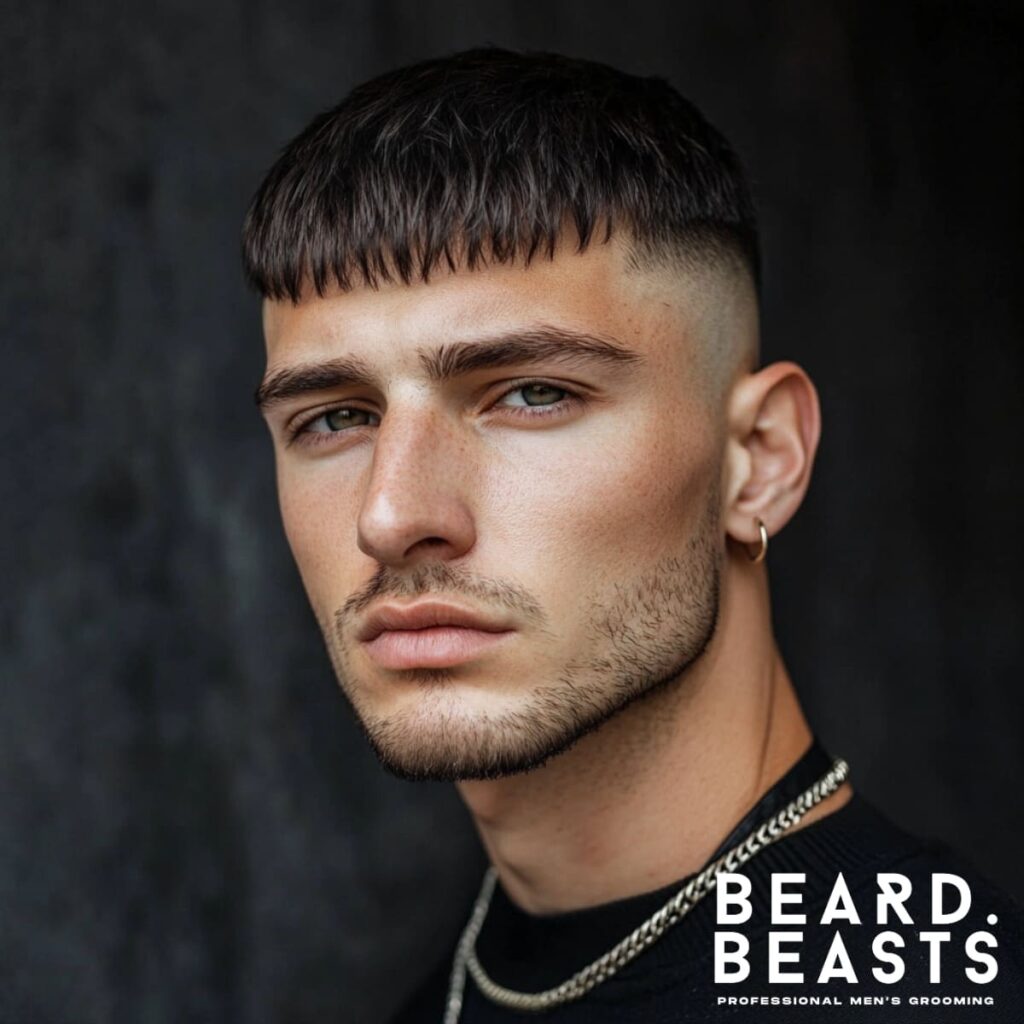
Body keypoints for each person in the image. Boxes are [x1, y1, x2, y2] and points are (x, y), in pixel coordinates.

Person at [241, 48, 1023, 1023]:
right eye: (335, 418)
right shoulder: (453, 987)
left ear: (760, 460)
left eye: (531, 394)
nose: (392, 514)